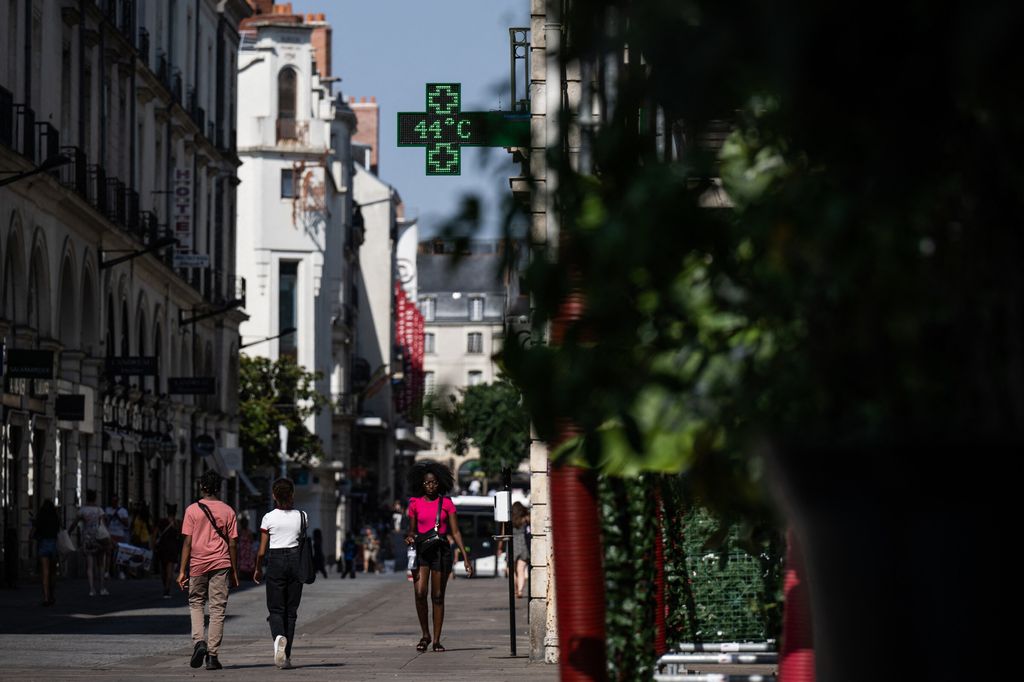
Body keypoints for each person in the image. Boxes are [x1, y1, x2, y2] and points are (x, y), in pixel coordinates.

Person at [405, 461, 472, 653]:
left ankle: (436, 640)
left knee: (437, 596)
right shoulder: (414, 503)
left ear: (439, 483)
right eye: (427, 483)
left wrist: (466, 558)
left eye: (434, 482)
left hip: (441, 552)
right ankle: (424, 634)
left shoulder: (447, 504)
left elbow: (456, 532)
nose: (430, 486)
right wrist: (409, 536)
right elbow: (411, 529)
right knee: (419, 593)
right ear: (421, 484)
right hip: (421, 551)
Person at [178, 470, 239, 671]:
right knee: (217, 609)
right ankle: (212, 656)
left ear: (202, 487)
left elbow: (187, 542)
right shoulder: (228, 511)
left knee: (196, 602)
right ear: (218, 488)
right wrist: (235, 570)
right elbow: (232, 544)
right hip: (221, 564)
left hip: (197, 563)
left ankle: (199, 642)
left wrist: (182, 570)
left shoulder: (191, 510)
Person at [254, 478, 307, 669]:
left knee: (276, 609)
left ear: (274, 496)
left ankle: (278, 638)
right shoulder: (302, 516)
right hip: (295, 562)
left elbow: (261, 550)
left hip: (275, 561)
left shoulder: (268, 518)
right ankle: (286, 657)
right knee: (291, 612)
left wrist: (258, 569)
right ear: (292, 494)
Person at [70, 489, 109, 597]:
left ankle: (91, 589)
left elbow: (74, 523)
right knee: (101, 564)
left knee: (90, 566)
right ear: (95, 498)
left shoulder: (82, 510)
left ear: (86, 497)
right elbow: (103, 524)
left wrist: (68, 531)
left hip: (87, 539)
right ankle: (102, 588)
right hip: (99, 538)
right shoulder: (99, 510)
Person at [32, 499, 60, 606]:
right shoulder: (55, 518)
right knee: (53, 572)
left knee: (45, 572)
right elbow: (58, 530)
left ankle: (46, 597)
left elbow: (34, 531)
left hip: (43, 544)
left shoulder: (40, 517)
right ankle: (52, 595)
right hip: (53, 544)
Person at [153, 504, 180, 598]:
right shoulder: (177, 523)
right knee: (170, 570)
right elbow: (181, 536)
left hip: (162, 548)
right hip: (172, 548)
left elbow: (155, 534)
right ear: (175, 512)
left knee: (163, 569)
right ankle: (167, 590)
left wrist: (153, 546)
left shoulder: (161, 521)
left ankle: (165, 585)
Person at [105, 494, 129, 580]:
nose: (114, 503)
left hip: (119, 535)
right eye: (112, 501)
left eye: (115, 501)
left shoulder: (123, 511)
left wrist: (118, 517)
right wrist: (109, 518)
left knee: (120, 555)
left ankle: (120, 572)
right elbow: (105, 523)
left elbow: (126, 524)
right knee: (109, 553)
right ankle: (107, 572)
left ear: (117, 502)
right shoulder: (107, 510)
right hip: (110, 534)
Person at [511, 502, 531, 598]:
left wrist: (499, 547)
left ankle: (515, 590)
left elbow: (503, 532)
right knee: (521, 569)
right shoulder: (525, 518)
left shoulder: (509, 519)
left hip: (512, 544)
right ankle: (520, 591)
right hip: (523, 544)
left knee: (514, 570)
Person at [237, 517, 256, 582]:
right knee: (245, 561)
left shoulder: (242, 531)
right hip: (245, 549)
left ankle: (246, 575)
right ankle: (245, 574)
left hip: (245, 548)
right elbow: (252, 540)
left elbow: (251, 540)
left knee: (246, 561)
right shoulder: (243, 531)